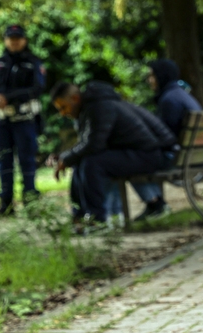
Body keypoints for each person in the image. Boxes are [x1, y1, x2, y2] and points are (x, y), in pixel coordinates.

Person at [50, 81, 176, 227]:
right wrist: (65, 157)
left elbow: (94, 145)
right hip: (143, 153)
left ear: (75, 99)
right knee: (83, 162)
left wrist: (66, 158)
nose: (63, 113)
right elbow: (88, 144)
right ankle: (81, 217)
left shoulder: (99, 106)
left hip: (148, 156)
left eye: (63, 107)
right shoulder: (95, 105)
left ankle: (96, 220)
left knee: (93, 163)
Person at [118, 59, 202, 221]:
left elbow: (165, 137)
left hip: (177, 159)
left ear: (161, 76)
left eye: (152, 75)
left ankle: (155, 204)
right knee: (135, 158)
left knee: (128, 160)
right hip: (192, 156)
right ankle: (155, 203)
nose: (150, 80)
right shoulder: (181, 95)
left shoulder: (169, 100)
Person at [0, 25, 46, 216]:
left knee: (27, 161)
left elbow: (37, 88)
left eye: (18, 38)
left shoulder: (33, 62)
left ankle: (31, 203)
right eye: (11, 38)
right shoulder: (0, 63)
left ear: (24, 40)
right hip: (2, 122)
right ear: (5, 40)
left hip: (25, 120)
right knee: (4, 162)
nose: (14, 41)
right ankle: (6, 204)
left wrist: (10, 97)